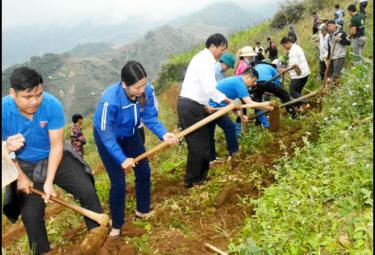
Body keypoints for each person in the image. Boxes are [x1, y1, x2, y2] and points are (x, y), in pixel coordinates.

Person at [2, 67, 104, 255]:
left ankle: (97, 234)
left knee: (86, 189)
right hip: (23, 164)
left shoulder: (51, 105)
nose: (34, 101)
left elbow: (56, 146)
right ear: (12, 94)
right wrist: (20, 176)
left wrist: (49, 182)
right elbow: (4, 152)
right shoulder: (3, 111)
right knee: (31, 215)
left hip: (54, 156)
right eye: (27, 96)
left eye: (38, 95)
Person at [93, 61, 177, 237]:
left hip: (131, 133)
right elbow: (105, 133)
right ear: (124, 84)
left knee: (144, 171)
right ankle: (116, 225)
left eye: (144, 84)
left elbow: (149, 117)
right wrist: (121, 159)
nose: (142, 90)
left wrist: (164, 134)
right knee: (118, 182)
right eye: (137, 87)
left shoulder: (147, 91)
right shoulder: (110, 100)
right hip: (108, 138)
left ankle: (142, 210)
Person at [177, 33, 234, 189]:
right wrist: (227, 100)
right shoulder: (206, 61)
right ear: (213, 46)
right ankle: (193, 180)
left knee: (202, 143)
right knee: (198, 145)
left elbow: (200, 88)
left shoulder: (203, 59)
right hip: (190, 106)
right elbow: (210, 88)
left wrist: (204, 105)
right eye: (222, 49)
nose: (222, 52)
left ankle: (199, 178)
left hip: (195, 105)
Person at [208, 68, 274, 163]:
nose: (253, 84)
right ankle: (234, 154)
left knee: (210, 132)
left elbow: (234, 105)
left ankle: (211, 158)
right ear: (248, 77)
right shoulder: (239, 83)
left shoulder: (236, 81)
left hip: (212, 106)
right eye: (253, 81)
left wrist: (241, 116)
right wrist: (268, 108)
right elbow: (250, 103)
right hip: (213, 108)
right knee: (229, 127)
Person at [279, 37, 310, 109]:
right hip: (306, 72)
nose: (284, 48)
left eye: (284, 46)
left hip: (299, 76)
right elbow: (287, 61)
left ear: (288, 43)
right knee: (297, 91)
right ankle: (300, 106)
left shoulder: (292, 51)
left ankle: (306, 102)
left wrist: (284, 70)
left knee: (292, 91)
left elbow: (294, 65)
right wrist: (286, 55)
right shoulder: (297, 47)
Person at [326, 20, 351, 87]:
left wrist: (339, 40)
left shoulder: (341, 33)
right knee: (328, 74)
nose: (329, 27)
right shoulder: (330, 36)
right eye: (328, 26)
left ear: (335, 25)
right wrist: (328, 58)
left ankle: (339, 88)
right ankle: (330, 88)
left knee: (335, 75)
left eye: (331, 25)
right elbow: (329, 48)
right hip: (332, 57)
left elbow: (348, 43)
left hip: (340, 56)